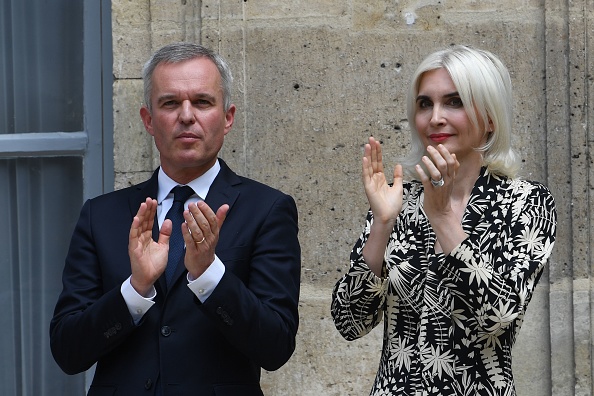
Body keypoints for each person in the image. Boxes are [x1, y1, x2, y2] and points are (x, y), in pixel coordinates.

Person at [50, 42, 301, 396]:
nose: (186, 115)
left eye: (202, 102)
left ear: (227, 117)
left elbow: (275, 347)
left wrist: (209, 276)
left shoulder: (268, 210)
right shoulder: (101, 215)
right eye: (170, 103)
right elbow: (67, 351)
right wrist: (135, 290)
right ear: (149, 120)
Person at [331, 45, 557, 395]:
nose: (435, 117)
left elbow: (498, 317)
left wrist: (443, 218)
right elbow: (349, 322)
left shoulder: (527, 202)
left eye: (454, 102)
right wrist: (382, 224)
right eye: (425, 104)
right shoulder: (398, 200)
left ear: (491, 117)